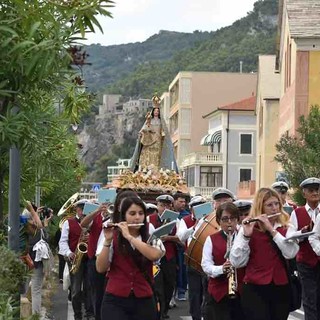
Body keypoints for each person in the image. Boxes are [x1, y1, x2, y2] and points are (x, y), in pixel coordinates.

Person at [230, 187, 299, 320]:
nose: (275, 208)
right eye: (269, 205)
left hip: (281, 286)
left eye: (277, 203)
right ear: (260, 208)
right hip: (255, 287)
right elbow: (236, 262)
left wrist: (272, 231)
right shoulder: (249, 227)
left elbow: (290, 253)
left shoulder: (287, 226)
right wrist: (245, 237)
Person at [96, 197, 166, 320]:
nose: (137, 217)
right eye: (132, 214)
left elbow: (154, 255)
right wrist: (107, 240)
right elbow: (101, 268)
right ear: (124, 216)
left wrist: (129, 236)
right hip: (115, 299)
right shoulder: (113, 235)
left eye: (141, 213)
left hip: (144, 299)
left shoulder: (152, 236)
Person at [201, 202, 245, 320]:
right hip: (218, 294)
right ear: (219, 221)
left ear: (237, 219)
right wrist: (221, 269)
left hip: (242, 292)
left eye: (232, 218)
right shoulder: (211, 239)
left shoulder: (244, 237)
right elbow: (205, 265)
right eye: (225, 219)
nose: (229, 222)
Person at [287, 177, 320, 320]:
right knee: (309, 298)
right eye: (311, 190)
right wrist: (303, 232)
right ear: (304, 193)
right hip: (305, 262)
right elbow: (290, 235)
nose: (315, 193)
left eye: (317, 190)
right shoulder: (297, 212)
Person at [59, 199, 93, 320]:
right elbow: (62, 242)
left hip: (89, 258)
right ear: (77, 209)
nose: (83, 211)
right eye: (81, 208)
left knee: (90, 288)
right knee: (76, 289)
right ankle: (77, 315)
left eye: (86, 209)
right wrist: (69, 253)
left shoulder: (92, 222)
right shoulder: (68, 223)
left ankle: (90, 314)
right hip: (75, 258)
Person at [147, 194, 180, 320]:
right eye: (161, 205)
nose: (164, 208)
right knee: (157, 286)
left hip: (169, 257)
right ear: (157, 206)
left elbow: (181, 238)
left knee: (169, 284)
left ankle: (165, 309)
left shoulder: (175, 220)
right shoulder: (150, 219)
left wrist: (169, 238)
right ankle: (158, 312)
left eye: (167, 205)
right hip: (154, 257)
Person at [177, 195, 206, 320]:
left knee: (207, 292)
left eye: (202, 205)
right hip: (192, 260)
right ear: (191, 208)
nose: (199, 208)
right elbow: (180, 237)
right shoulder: (186, 220)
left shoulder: (211, 220)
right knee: (194, 293)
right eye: (196, 206)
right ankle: (196, 316)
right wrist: (194, 227)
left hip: (207, 260)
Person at [130, 95, 177, 172]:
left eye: (157, 111)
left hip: (157, 141)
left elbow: (164, 132)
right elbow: (144, 129)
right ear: (153, 112)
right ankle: (145, 169)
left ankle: (156, 170)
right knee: (147, 154)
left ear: (159, 113)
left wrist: (162, 135)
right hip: (149, 141)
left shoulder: (161, 122)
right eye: (155, 111)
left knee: (156, 156)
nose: (156, 112)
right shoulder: (149, 120)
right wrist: (142, 133)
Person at [23, 202, 52, 315]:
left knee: (25, 287)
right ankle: (35, 314)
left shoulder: (23, 226)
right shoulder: (36, 228)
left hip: (26, 259)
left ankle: (26, 313)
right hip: (36, 261)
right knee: (36, 289)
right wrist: (44, 222)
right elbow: (46, 238)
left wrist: (33, 212)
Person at [173, 192, 190, 301]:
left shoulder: (186, 216)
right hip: (169, 248)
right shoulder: (169, 214)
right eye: (180, 201)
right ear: (174, 202)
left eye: (184, 202)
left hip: (181, 248)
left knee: (182, 269)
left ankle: (181, 290)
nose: (183, 204)